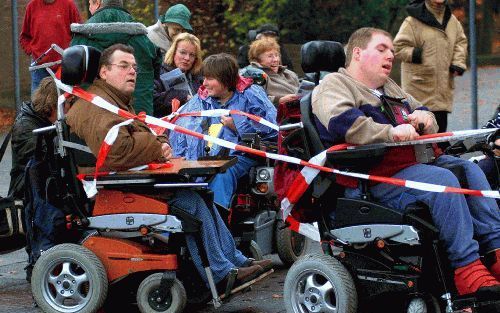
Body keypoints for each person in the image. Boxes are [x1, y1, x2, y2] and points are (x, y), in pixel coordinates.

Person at [312, 27, 500, 296]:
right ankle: (466, 269)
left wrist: (426, 119)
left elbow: (422, 110)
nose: (391, 55)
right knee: (443, 183)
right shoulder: (332, 86)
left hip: (408, 167)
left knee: (469, 170)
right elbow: (343, 124)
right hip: (370, 178)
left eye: (392, 50)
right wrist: (390, 132)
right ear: (357, 53)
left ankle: (495, 253)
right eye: (382, 49)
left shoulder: (388, 87)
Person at [65, 44, 270, 288]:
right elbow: (119, 149)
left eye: (134, 67)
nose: (132, 71)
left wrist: (156, 142)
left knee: (201, 193)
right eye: (124, 66)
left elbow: (147, 133)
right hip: (118, 187)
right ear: (103, 72)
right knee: (190, 202)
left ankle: (233, 260)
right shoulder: (95, 107)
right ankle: (220, 274)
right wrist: (155, 147)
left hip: (134, 178)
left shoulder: (112, 101)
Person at [170, 53, 277, 210]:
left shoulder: (251, 96)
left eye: (210, 78)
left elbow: (271, 137)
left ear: (226, 79)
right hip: (203, 160)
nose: (204, 83)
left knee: (222, 175)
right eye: (204, 78)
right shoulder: (199, 101)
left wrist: (237, 126)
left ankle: (217, 222)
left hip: (241, 157)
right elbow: (179, 136)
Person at [71, 0, 160, 116]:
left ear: (97, 3)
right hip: (139, 116)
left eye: (90, 4)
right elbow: (157, 70)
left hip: (91, 118)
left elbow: (71, 76)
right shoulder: (143, 38)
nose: (89, 9)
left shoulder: (80, 39)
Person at [393, 0, 467, 133]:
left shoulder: (452, 20)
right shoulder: (412, 21)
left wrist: (457, 63)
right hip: (419, 90)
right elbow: (398, 47)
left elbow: (461, 41)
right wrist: (418, 54)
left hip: (442, 88)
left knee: (440, 136)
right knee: (422, 139)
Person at [8, 77, 74, 200]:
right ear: (55, 105)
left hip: (45, 189)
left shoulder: (46, 120)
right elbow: (44, 160)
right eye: (69, 103)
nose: (71, 108)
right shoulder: (25, 128)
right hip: (29, 197)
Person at [19, 0, 82, 94]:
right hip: (39, 67)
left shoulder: (68, 5)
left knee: (66, 104)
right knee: (39, 105)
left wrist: (72, 57)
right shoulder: (32, 6)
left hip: (65, 66)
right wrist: (32, 51)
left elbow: (79, 33)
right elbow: (24, 37)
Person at [153, 33, 203, 117]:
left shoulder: (197, 76)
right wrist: (182, 96)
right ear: (173, 52)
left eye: (192, 55)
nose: (187, 58)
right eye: (183, 52)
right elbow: (152, 100)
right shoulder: (158, 72)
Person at [242, 37, 299, 106]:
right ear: (257, 60)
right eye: (270, 56)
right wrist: (279, 100)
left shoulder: (289, 74)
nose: (275, 60)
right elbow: (254, 100)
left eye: (276, 55)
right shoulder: (257, 75)